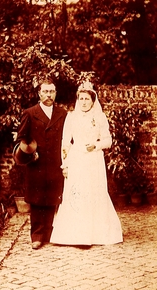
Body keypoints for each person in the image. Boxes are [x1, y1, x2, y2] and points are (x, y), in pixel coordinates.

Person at [50, 81, 123, 246]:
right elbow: (65, 142)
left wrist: (96, 145)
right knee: (76, 194)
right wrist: (65, 164)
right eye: (81, 98)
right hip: (76, 159)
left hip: (93, 160)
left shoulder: (99, 117)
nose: (83, 102)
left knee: (93, 192)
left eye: (87, 99)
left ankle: (93, 234)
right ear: (77, 100)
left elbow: (108, 141)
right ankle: (75, 235)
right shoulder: (71, 116)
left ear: (92, 100)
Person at [14, 77, 67, 249]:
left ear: (55, 93)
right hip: (36, 164)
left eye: (52, 91)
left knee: (52, 198)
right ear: (39, 93)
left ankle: (49, 232)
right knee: (37, 200)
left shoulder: (62, 114)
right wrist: (31, 154)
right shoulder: (29, 113)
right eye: (45, 91)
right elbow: (21, 138)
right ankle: (36, 235)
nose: (49, 95)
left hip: (54, 164)